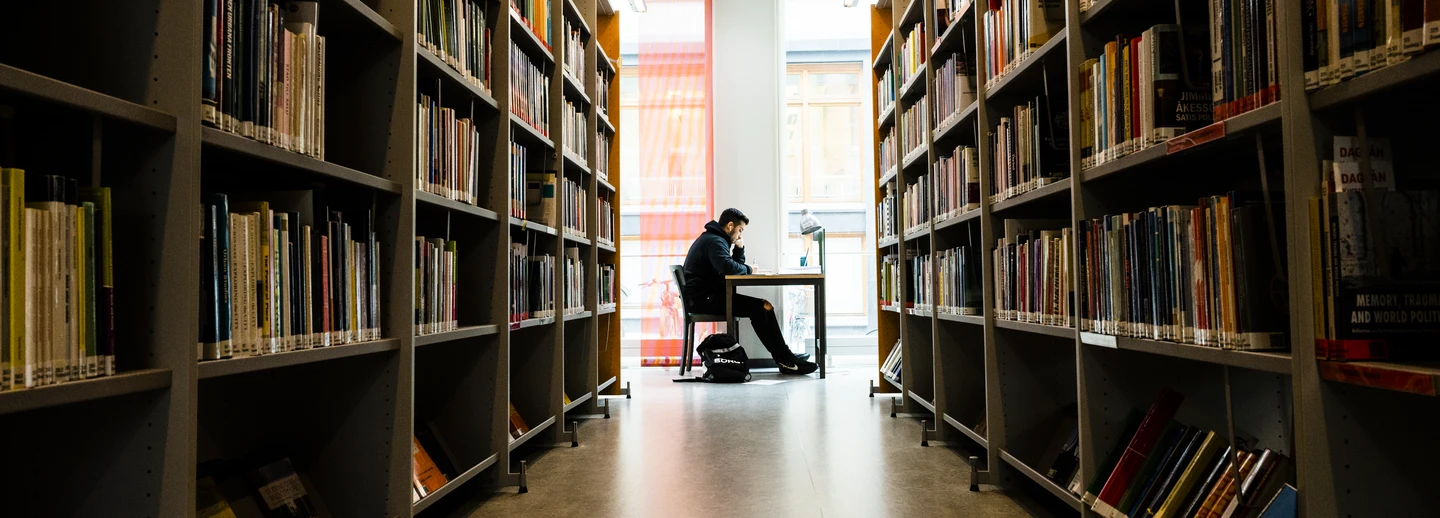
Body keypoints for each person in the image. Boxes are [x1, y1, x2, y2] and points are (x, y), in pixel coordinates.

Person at [682, 208, 818, 375]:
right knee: (762, 307)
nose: (740, 235)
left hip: (707, 297)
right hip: (705, 300)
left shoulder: (714, 239)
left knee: (762, 307)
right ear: (730, 226)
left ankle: (785, 357)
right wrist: (749, 269)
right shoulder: (715, 241)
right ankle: (785, 359)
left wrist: (739, 248)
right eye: (740, 230)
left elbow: (731, 267)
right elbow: (729, 268)